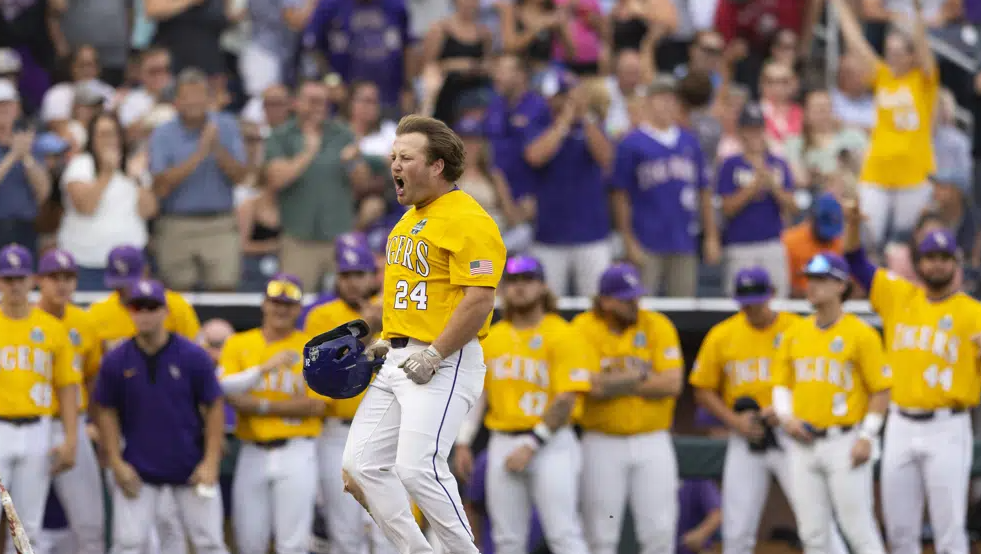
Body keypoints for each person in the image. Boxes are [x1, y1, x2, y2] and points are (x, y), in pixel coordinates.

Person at [340, 114, 506, 554]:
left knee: (418, 468)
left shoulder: (469, 219)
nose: (393, 164)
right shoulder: (409, 219)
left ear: (437, 166)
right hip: (398, 357)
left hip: (444, 360)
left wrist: (434, 352)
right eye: (393, 156)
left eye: (405, 157)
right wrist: (383, 342)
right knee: (359, 468)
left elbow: (479, 300)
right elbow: (412, 299)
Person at [842, 197, 981, 554]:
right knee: (900, 533)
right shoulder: (898, 296)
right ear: (918, 264)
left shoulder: (973, 313)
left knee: (949, 534)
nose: (936, 265)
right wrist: (853, 224)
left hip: (948, 426)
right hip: (900, 423)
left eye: (944, 258)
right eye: (930, 258)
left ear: (956, 263)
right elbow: (855, 262)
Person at [689, 266, 848, 554]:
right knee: (737, 531)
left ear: (772, 295)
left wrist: (786, 410)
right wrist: (733, 421)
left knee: (816, 521)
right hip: (747, 436)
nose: (752, 309)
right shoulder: (722, 335)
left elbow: (818, 378)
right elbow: (702, 388)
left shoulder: (797, 328)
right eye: (746, 303)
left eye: (758, 301)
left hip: (790, 433)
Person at [452, 255, 591, 554]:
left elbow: (567, 398)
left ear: (542, 286)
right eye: (512, 281)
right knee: (506, 539)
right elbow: (479, 395)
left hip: (552, 443)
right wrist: (463, 441)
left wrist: (532, 443)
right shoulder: (492, 337)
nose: (519, 288)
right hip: (503, 441)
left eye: (527, 280)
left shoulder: (563, 333)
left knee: (563, 535)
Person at [93, 279, 227, 554]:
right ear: (130, 312)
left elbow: (214, 406)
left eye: (151, 307)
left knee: (210, 543)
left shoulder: (193, 356)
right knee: (127, 545)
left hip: (191, 465)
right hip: (139, 468)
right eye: (138, 307)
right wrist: (116, 462)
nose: (144, 314)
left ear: (165, 311)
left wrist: (211, 462)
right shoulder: (116, 359)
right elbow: (105, 409)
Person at [771, 252, 890, 554]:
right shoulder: (795, 332)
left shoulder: (861, 333)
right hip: (803, 442)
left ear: (842, 286)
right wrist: (787, 418)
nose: (812, 286)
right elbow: (781, 384)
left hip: (845, 440)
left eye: (822, 280)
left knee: (858, 530)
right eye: (810, 278)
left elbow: (881, 389)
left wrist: (867, 437)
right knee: (812, 534)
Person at [572, 262, 684, 554]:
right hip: (601, 441)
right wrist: (641, 375)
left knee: (659, 533)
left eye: (636, 296)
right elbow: (590, 387)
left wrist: (615, 382)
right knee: (600, 536)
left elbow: (672, 384)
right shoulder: (583, 327)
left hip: (653, 439)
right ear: (605, 301)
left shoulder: (657, 324)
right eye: (626, 298)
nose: (635, 303)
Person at [218, 273, 328, 554]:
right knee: (249, 541)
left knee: (293, 544)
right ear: (264, 303)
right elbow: (228, 393)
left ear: (298, 309)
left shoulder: (312, 347)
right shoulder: (238, 343)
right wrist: (289, 402)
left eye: (288, 304)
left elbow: (317, 405)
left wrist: (261, 405)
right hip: (251, 449)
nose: (281, 309)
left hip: (297, 450)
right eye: (275, 301)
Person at [303, 245, 393, 554]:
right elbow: (328, 372)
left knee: (389, 527)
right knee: (344, 529)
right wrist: (367, 329)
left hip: (385, 429)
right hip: (337, 431)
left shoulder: (394, 308)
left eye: (360, 274)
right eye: (346, 274)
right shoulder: (321, 315)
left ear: (373, 276)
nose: (353, 282)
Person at [830, 0, 938, 251]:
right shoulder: (882, 76)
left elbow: (924, 51)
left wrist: (918, 15)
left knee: (906, 244)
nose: (893, 57)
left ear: (911, 56)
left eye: (899, 52)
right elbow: (856, 42)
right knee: (868, 236)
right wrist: (839, 6)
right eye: (889, 52)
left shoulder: (923, 81)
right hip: (876, 172)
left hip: (913, 175)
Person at [0, 243, 80, 554]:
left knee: (27, 524)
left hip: (38, 429)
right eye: (8, 279)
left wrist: (71, 439)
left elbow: (67, 386)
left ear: (32, 279)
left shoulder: (51, 328)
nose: (15, 285)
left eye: (20, 278)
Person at [35, 249, 105, 554]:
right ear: (39, 280)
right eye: (54, 277)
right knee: (19, 523)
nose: (61, 285)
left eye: (68, 277)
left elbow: (92, 378)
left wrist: (94, 425)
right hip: (28, 422)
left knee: (90, 525)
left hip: (72, 424)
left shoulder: (85, 322)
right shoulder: (21, 318)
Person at [88, 244, 201, 352]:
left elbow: (196, 353)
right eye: (119, 285)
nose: (125, 290)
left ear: (145, 271)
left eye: (130, 284)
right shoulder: (98, 312)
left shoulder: (175, 305)